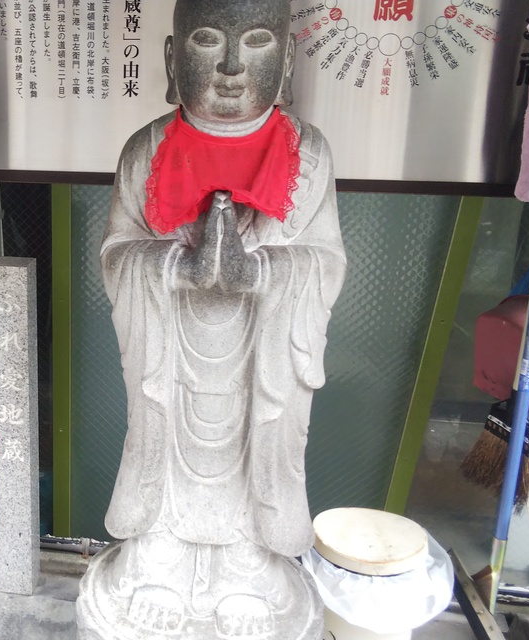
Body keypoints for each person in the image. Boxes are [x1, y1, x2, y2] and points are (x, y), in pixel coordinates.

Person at [77, 1, 346, 638]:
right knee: (164, 443)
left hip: (260, 362)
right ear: (173, 59)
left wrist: (261, 276)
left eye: (256, 42)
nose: (230, 66)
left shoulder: (308, 156)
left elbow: (325, 262)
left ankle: (246, 568)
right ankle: (161, 558)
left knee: (260, 442)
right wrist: (174, 266)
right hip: (169, 357)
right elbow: (118, 254)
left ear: (287, 60)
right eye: (206, 40)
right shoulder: (146, 151)